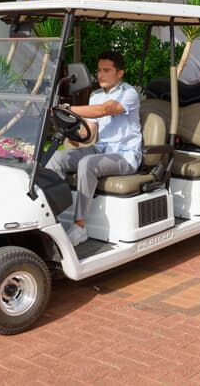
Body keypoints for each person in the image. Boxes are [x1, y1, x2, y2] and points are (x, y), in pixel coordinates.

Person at [47, 50, 141, 246]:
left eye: (106, 70)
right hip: (100, 150)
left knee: (87, 163)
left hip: (125, 155)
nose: (100, 75)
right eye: (98, 70)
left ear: (120, 73)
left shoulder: (129, 93)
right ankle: (55, 218)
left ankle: (79, 227)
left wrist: (66, 108)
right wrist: (73, 134)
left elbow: (103, 110)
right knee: (55, 158)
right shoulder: (96, 95)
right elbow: (89, 131)